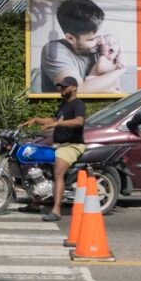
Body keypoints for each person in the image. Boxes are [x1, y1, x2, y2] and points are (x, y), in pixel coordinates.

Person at [20, 75, 86, 222]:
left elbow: (79, 121)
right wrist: (37, 119)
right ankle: (36, 202)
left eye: (64, 86)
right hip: (58, 144)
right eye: (60, 86)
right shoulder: (64, 104)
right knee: (38, 164)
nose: (61, 89)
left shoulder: (78, 104)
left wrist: (57, 125)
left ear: (74, 88)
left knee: (57, 173)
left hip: (72, 145)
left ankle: (56, 210)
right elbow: (55, 120)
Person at [40, 0, 125, 94]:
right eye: (93, 39)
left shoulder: (101, 49)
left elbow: (116, 89)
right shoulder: (54, 51)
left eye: (102, 35)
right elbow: (73, 92)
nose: (102, 41)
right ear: (70, 38)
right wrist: (120, 70)